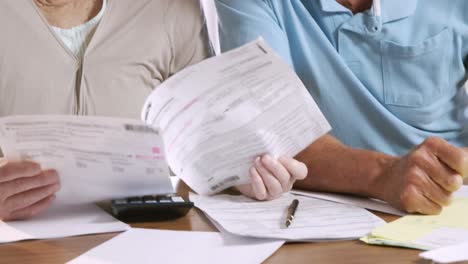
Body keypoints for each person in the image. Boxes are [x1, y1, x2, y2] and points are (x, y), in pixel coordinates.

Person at [0, 0, 306, 221]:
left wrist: (241, 175)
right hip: (21, 240)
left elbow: (203, 140)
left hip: (146, 231)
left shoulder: (171, 9)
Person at [215, 0, 468, 214]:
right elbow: (272, 131)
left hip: (449, 206)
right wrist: (383, 174)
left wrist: (452, 171)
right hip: (317, 211)